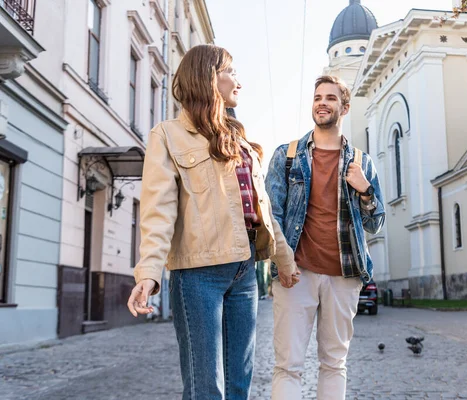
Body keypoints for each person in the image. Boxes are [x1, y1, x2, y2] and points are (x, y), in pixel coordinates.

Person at [126, 44, 299, 400]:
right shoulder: (167, 136)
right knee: (206, 386)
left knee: (240, 382)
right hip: (197, 274)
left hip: (245, 269)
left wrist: (284, 259)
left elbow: (262, 210)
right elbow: (158, 211)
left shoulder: (241, 142)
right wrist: (147, 273)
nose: (239, 81)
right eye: (231, 72)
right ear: (208, 77)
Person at [265, 75, 385, 400]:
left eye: (331, 98)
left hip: (344, 277)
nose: (322, 103)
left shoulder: (361, 163)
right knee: (288, 365)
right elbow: (271, 216)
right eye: (318, 97)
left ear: (344, 107)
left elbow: (375, 223)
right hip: (296, 274)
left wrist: (366, 190)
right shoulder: (287, 156)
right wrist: (282, 262)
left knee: (334, 363)